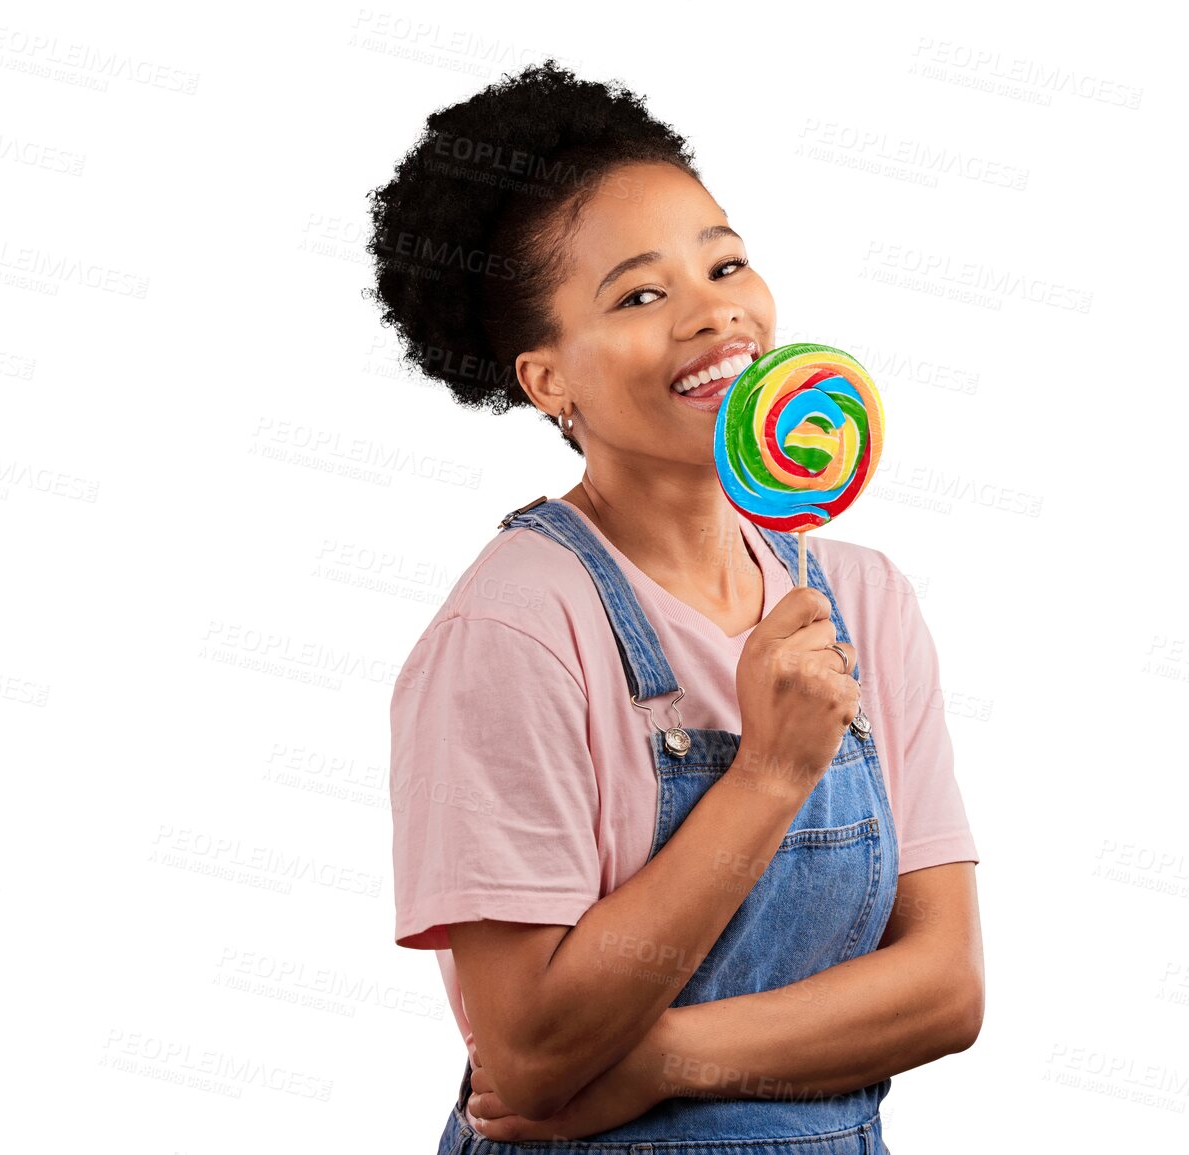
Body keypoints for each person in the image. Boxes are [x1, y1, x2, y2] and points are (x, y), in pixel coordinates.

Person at [367, 58, 984, 1154]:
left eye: (726, 263)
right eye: (642, 296)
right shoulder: (515, 629)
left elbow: (943, 991)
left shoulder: (865, 602)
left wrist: (656, 1062)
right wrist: (771, 771)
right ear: (549, 380)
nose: (716, 316)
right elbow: (533, 1055)